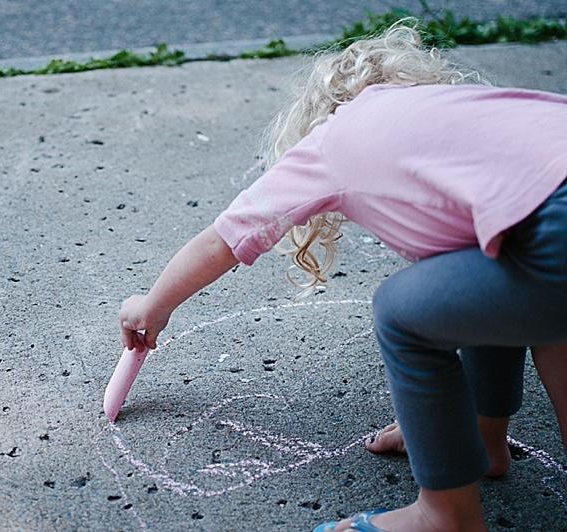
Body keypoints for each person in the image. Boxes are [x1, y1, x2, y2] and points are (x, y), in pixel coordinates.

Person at [118, 21, 567, 532]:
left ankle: (445, 516)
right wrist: (450, 426)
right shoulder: (459, 108)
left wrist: (153, 304)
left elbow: (223, 239)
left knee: (402, 312)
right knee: (502, 292)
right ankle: (482, 441)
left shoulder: (332, 139)